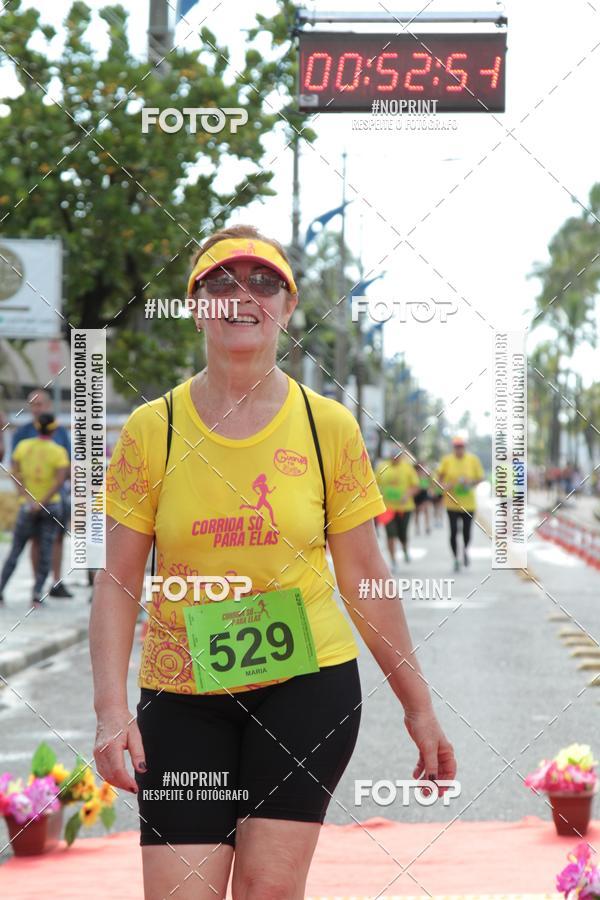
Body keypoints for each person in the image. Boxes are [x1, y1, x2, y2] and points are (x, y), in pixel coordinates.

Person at [91, 225, 456, 900]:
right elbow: (116, 582)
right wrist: (111, 707)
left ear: (287, 308)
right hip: (183, 693)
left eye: (265, 282)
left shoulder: (328, 427)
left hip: (306, 687)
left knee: (269, 890)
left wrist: (419, 706)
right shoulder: (154, 429)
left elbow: (365, 581)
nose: (243, 295)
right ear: (196, 305)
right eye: (221, 282)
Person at [0, 413, 69, 608]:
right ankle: (36, 595)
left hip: (27, 506)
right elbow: (60, 480)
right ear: (54, 429)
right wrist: (42, 502)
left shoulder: (23, 447)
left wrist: (27, 498)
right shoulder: (58, 452)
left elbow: (14, 474)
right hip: (51, 506)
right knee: (46, 551)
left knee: (16, 550)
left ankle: (1, 590)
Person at [12, 388, 72, 597]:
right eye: (33, 405)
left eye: (40, 404)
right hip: (31, 497)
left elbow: (67, 468)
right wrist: (24, 496)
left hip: (55, 497)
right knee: (34, 541)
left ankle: (56, 581)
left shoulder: (60, 432)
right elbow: (15, 470)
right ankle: (38, 584)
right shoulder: (22, 433)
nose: (36, 409)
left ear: (47, 405)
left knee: (56, 538)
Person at [436, 435, 484, 572]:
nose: (459, 449)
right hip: (451, 503)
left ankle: (465, 550)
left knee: (467, 533)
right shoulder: (447, 460)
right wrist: (445, 485)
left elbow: (480, 478)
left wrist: (470, 483)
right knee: (453, 532)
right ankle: (456, 558)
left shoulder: (473, 460)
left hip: (469, 504)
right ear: (453, 448)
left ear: (465, 447)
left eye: (461, 446)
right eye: (456, 447)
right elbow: (439, 478)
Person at [374, 444, 419, 569]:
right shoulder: (382, 466)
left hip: (405, 508)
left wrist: (407, 495)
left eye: (398, 455)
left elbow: (415, 486)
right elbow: (373, 483)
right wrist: (378, 493)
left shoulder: (408, 468)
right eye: (393, 454)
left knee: (402, 534)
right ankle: (393, 560)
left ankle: (405, 549)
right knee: (390, 534)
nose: (395, 457)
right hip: (387, 508)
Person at [413, 461, 432, 536]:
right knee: (417, 512)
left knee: (426, 510)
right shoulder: (414, 474)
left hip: (424, 493)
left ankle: (427, 527)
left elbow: (431, 482)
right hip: (417, 494)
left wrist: (431, 489)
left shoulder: (427, 474)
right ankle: (417, 528)